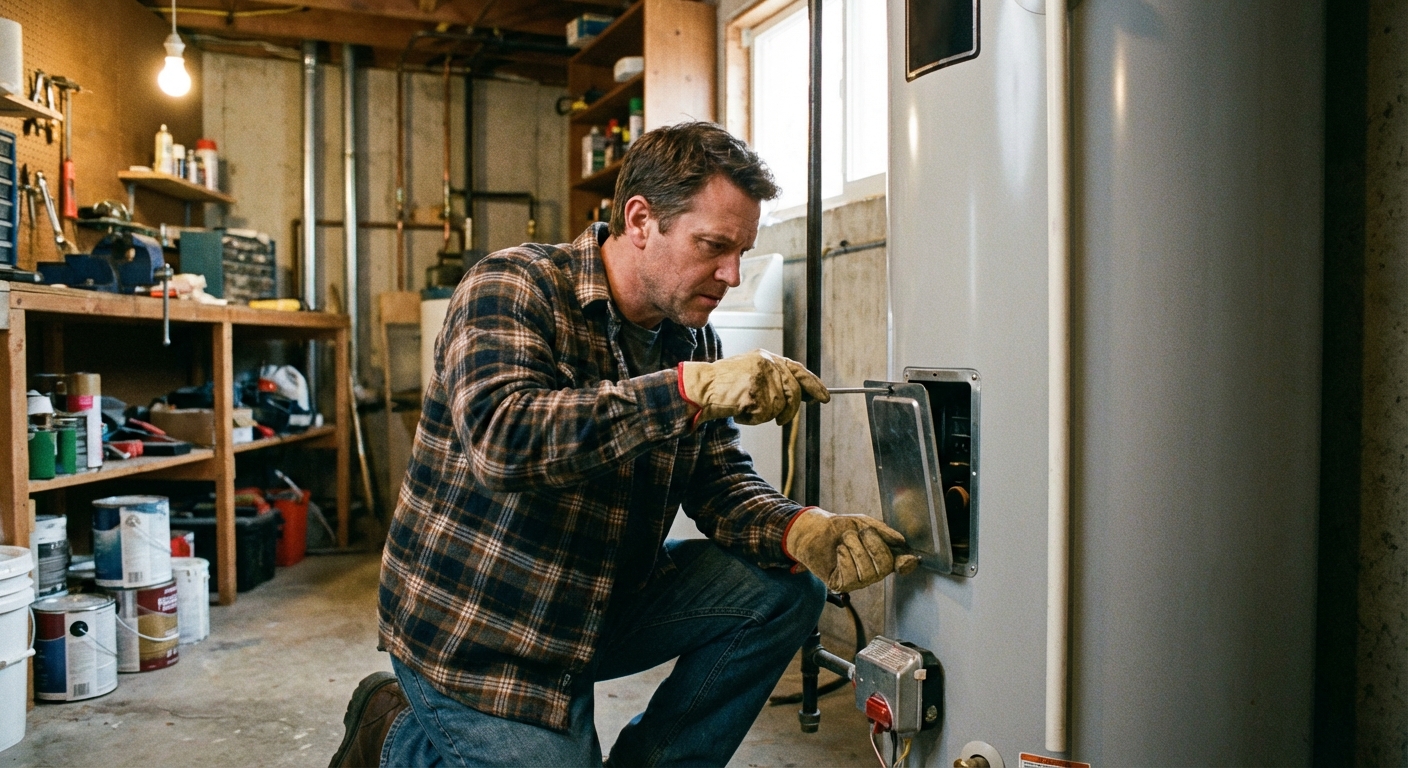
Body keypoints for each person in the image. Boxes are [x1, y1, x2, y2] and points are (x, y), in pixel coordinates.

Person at [330, 121, 914, 768]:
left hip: (600, 597)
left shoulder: (691, 338)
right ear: (640, 220)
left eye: (742, 251)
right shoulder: (512, 288)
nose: (731, 274)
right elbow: (504, 439)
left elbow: (717, 480)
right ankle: (389, 732)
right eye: (714, 245)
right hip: (480, 629)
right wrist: (686, 392)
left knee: (786, 585)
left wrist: (800, 529)